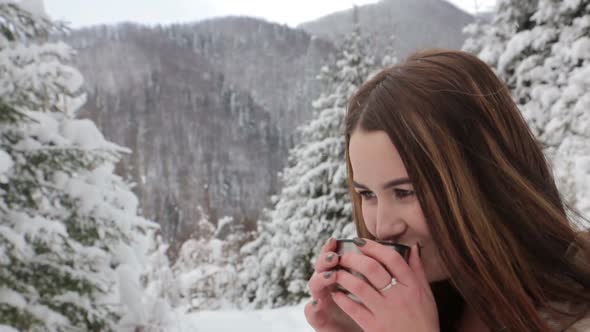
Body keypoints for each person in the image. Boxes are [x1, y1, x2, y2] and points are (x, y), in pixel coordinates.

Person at [303, 49, 590, 332]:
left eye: (404, 192)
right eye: (367, 195)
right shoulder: (435, 307)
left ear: (484, 181)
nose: (381, 227)